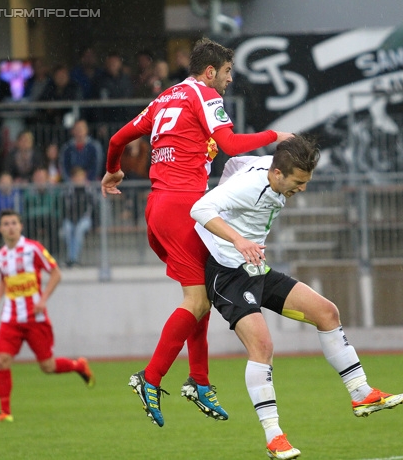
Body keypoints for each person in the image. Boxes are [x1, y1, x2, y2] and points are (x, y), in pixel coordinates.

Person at [101, 37, 293, 428]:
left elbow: (117, 139)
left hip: (157, 208)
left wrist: (113, 169)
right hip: (184, 208)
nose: (228, 80)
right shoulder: (205, 95)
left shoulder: (164, 98)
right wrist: (275, 137)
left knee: (201, 292)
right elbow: (231, 145)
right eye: (226, 72)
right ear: (210, 71)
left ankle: (200, 381)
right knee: (196, 301)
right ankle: (150, 378)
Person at [190, 136, 403, 459]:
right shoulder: (253, 186)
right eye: (298, 182)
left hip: (256, 268)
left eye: (306, 182)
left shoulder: (272, 167)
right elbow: (200, 207)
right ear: (278, 174)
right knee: (262, 347)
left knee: (326, 312)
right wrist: (238, 240)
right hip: (228, 274)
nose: (302, 189)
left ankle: (361, 393)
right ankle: (274, 436)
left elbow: (236, 162)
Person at [0, 209, 95, 423]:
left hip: (35, 318)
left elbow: (56, 272)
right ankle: (5, 412)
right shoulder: (0, 255)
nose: (10, 227)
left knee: (48, 367)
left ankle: (78, 365)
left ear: (20, 226)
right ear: (0, 229)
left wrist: (43, 299)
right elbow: (4, 278)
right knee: (2, 360)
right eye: (5, 224)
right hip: (10, 319)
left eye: (13, 223)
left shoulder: (33, 249)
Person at [62, 167, 97, 267]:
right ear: (73, 178)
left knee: (79, 230)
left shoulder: (89, 190)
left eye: (81, 177)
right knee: (67, 230)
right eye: (77, 177)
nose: (79, 179)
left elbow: (93, 207)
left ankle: (74, 259)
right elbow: (65, 208)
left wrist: (95, 223)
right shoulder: (68, 191)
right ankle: (71, 258)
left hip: (85, 218)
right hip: (70, 218)